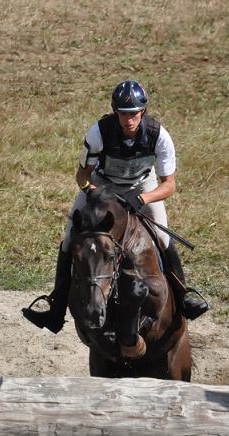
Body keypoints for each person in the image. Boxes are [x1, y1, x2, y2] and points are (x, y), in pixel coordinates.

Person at [22, 79, 209, 334]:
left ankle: (183, 295)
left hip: (142, 186)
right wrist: (95, 194)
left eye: (133, 114)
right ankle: (55, 306)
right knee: (69, 237)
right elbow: (82, 175)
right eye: (123, 114)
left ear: (142, 112)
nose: (129, 120)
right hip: (103, 186)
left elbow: (169, 185)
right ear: (115, 112)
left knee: (163, 236)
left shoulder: (159, 135)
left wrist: (142, 199)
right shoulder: (98, 132)